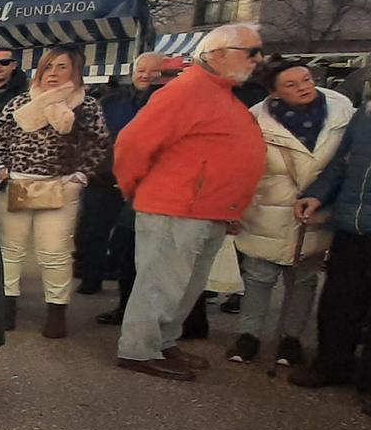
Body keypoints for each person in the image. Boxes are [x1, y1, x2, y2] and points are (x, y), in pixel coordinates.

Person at [112, 23, 268, 381]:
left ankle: (163, 342)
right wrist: (134, 189)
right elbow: (132, 145)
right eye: (251, 52)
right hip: (176, 206)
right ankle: (139, 349)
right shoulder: (186, 90)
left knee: (185, 287)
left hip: (205, 209)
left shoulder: (219, 91)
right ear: (217, 55)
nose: (258, 59)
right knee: (161, 284)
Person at [226, 62, 353, 367]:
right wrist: (233, 205)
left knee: (304, 277)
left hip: (316, 208)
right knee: (258, 275)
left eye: (306, 79)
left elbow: (346, 160)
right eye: (292, 85)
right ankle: (249, 334)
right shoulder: (256, 118)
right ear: (275, 93)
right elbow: (241, 166)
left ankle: (291, 338)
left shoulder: (342, 111)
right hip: (267, 205)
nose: (304, 87)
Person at [0, 46, 109, 338]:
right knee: (10, 251)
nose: (53, 74)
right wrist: (0, 169)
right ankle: (6, 308)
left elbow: (98, 143)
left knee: (55, 253)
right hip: (16, 184)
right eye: (49, 67)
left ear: (75, 70)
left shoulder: (85, 106)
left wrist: (80, 176)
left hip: (59, 188)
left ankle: (56, 311)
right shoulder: (18, 103)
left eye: (62, 67)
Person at [291, 96, 371, 410]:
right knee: (340, 300)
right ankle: (333, 364)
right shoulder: (365, 112)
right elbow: (341, 162)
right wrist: (317, 196)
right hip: (352, 225)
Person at [79, 54, 166, 301]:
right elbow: (93, 135)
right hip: (105, 177)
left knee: (130, 238)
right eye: (141, 69)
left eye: (154, 70)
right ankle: (91, 277)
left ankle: (127, 293)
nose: (146, 74)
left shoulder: (168, 102)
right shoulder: (112, 100)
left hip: (146, 181)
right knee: (93, 229)